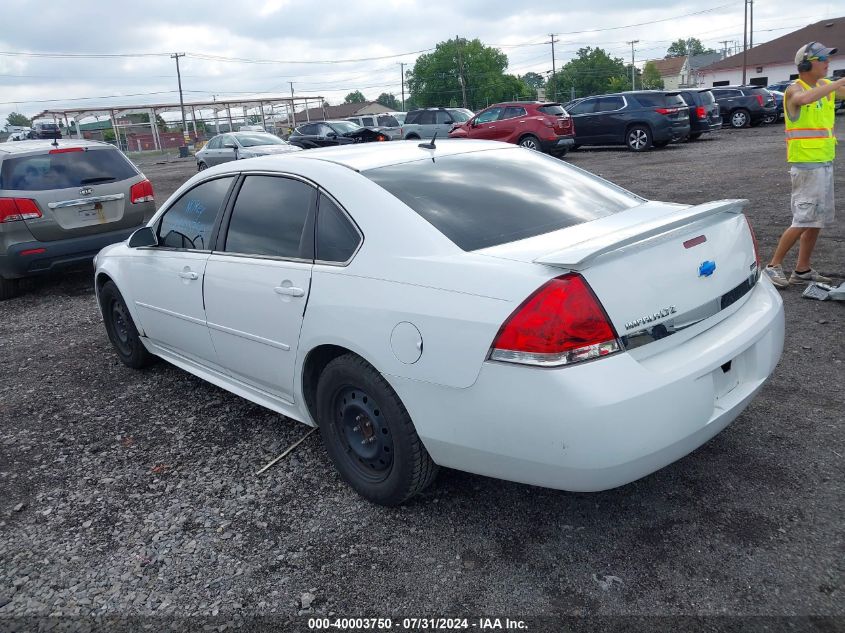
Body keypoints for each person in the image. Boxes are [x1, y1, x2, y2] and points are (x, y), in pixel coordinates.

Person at [764, 42, 845, 289]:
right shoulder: (794, 89)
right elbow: (805, 98)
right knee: (803, 218)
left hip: (823, 161)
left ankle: (802, 269)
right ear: (807, 64)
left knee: (815, 220)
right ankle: (772, 266)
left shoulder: (824, 87)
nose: (827, 63)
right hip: (805, 165)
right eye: (822, 59)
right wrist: (838, 83)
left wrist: (835, 85)